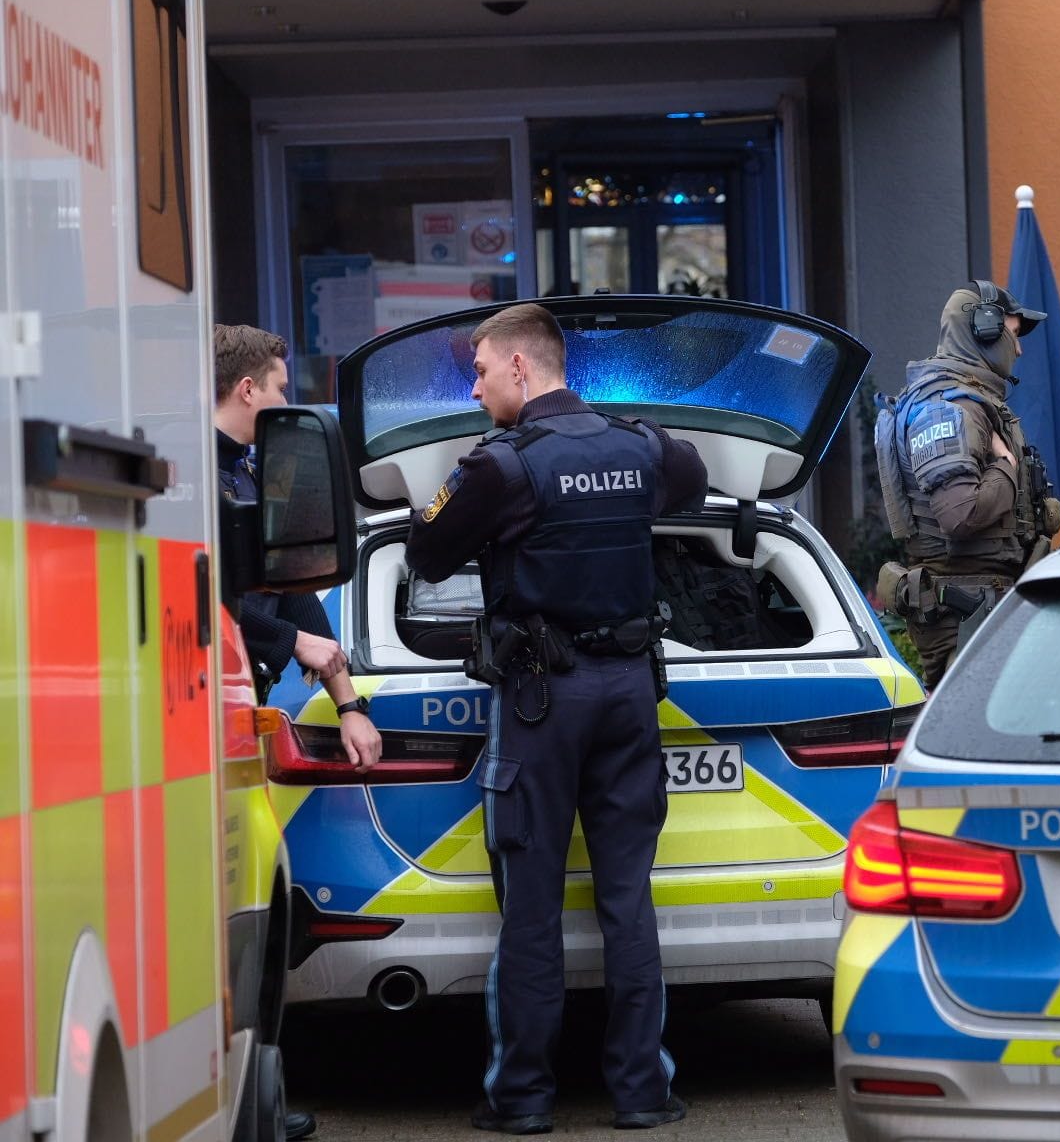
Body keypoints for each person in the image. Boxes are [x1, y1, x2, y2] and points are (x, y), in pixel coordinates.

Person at [404, 303, 708, 1134]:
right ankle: (643, 1095)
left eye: (478, 370)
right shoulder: (642, 446)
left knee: (532, 907)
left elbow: (422, 554)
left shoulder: (501, 467)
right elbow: (694, 480)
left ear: (519, 369)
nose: (474, 389)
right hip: (630, 694)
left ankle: (524, 1099)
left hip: (543, 700)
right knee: (626, 902)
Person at [213, 323, 383, 1142]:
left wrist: (349, 701)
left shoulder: (247, 476)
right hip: (210, 725)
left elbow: (297, 584)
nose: (284, 401)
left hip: (239, 721)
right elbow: (215, 601)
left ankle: (259, 1093)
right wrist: (291, 645)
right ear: (248, 389)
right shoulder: (198, 484)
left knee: (258, 908)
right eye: (278, 387)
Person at [876, 279, 1060, 688]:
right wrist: (1007, 465)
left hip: (982, 607)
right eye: (1014, 335)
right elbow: (959, 514)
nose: (1019, 349)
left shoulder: (969, 402)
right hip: (965, 614)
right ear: (984, 330)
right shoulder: (947, 408)